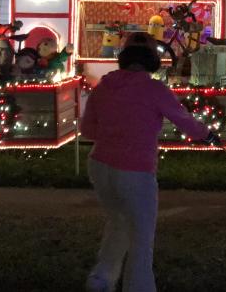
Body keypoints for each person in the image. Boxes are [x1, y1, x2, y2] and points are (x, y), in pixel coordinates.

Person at [81, 32, 218, 292]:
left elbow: (88, 130)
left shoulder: (103, 86)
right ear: (154, 60)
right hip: (136, 172)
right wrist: (207, 135)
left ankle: (100, 279)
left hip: (100, 167)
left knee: (118, 222)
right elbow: (184, 121)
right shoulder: (155, 89)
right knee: (142, 239)